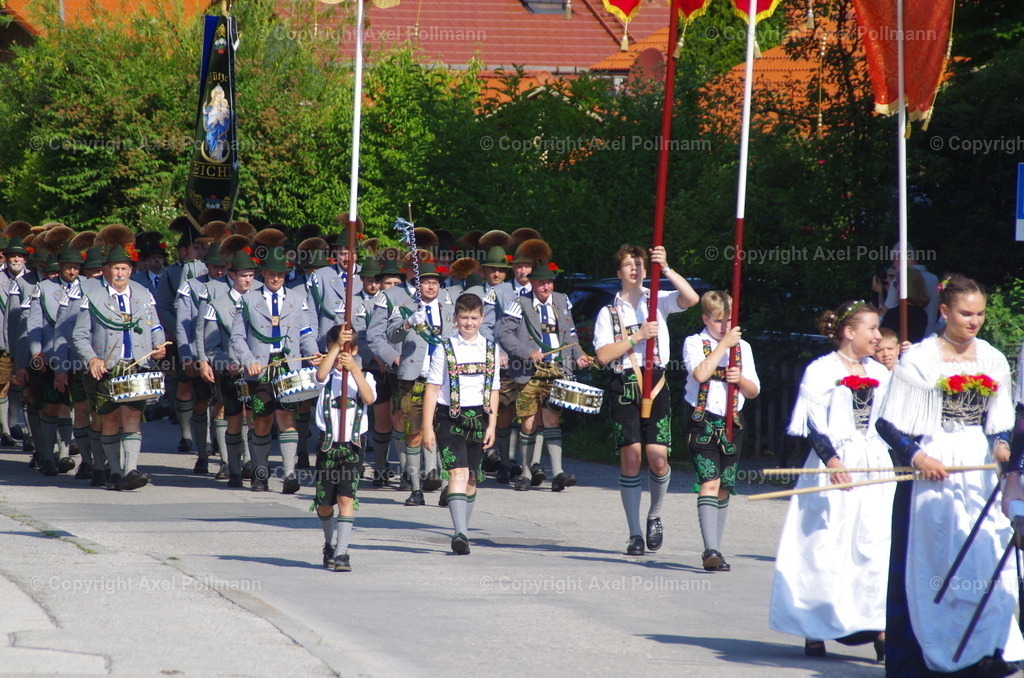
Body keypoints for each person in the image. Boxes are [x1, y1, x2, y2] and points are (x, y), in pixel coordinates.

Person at [876, 275, 1024, 675]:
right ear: (944, 311)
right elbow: (887, 424)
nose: (974, 321)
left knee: (986, 554)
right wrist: (918, 456)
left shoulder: (992, 358)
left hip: (978, 468)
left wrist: (1001, 447)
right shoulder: (920, 359)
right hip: (934, 468)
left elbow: (999, 423)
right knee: (937, 558)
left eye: (980, 314)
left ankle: (987, 649)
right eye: (965, 313)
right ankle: (936, 651)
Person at [770, 300, 891, 660]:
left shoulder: (881, 372)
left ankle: (878, 624)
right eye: (872, 328)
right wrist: (833, 460)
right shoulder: (821, 370)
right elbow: (813, 423)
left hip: (874, 466)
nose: (878, 336)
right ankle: (814, 625)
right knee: (825, 544)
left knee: (874, 543)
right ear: (849, 332)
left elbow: (893, 420)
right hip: (833, 465)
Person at [593, 245, 699, 556]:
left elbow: (692, 299)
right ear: (619, 272)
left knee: (658, 458)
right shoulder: (609, 312)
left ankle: (655, 514)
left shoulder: (658, 300)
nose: (635, 269)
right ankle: (635, 533)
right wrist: (637, 336)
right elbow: (603, 355)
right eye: (629, 264)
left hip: (656, 381)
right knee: (631, 457)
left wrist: (665, 268)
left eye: (639, 264)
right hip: (624, 383)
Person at [71, 243, 167, 491]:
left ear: (131, 270)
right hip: (107, 368)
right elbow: (80, 335)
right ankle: (114, 471)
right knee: (110, 419)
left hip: (137, 366)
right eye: (115, 269)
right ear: (106, 271)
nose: (120, 273)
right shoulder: (93, 298)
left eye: (124, 268)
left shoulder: (144, 294)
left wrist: (159, 343)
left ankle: (130, 470)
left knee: (132, 416)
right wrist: (92, 359)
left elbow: (155, 326)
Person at [230, 246, 322, 493]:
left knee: (287, 419)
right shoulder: (247, 299)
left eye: (280, 274)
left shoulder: (297, 299)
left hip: (288, 367)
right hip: (260, 368)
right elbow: (237, 337)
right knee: (262, 421)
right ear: (264, 273)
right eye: (272, 273)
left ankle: (290, 475)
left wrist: (314, 353)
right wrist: (248, 359)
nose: (276, 278)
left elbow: (306, 333)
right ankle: (260, 474)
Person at [499, 250, 590, 492]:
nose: (546, 287)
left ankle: (558, 472)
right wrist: (527, 352)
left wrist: (579, 356)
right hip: (529, 371)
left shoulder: (562, 301)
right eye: (541, 283)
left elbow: (571, 335)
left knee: (552, 418)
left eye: (549, 282)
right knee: (528, 421)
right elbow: (503, 334)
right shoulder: (519, 303)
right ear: (532, 283)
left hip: (557, 370)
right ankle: (525, 473)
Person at [682, 290, 760, 568]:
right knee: (709, 481)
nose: (725, 326)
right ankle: (710, 549)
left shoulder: (743, 348)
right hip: (702, 420)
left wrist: (740, 380)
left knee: (725, 486)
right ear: (706, 319)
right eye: (718, 321)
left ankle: (717, 547)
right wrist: (723, 346)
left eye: (729, 320)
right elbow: (700, 373)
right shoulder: (694, 342)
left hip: (732, 422)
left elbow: (753, 391)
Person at [421, 293, 500, 554]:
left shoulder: (491, 348)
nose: (469, 323)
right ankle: (460, 534)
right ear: (455, 318)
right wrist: (427, 427)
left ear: (482, 318)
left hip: (479, 417)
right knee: (458, 472)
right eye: (464, 317)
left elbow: (494, 390)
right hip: (449, 417)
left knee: (472, 478)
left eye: (474, 318)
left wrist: (492, 425)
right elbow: (432, 389)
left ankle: (462, 529)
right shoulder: (444, 348)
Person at [385, 260, 455, 506]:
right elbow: (390, 335)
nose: (431, 287)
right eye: (426, 282)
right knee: (414, 433)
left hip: (443, 379)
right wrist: (407, 323)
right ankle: (416, 488)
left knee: (443, 432)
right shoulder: (404, 307)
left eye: (435, 283)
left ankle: (446, 488)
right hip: (414, 378)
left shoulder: (449, 308)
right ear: (418, 285)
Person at [313, 325, 376, 572]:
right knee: (324, 502)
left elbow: (369, 398)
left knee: (346, 498)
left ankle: (342, 552)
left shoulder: (365, 377)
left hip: (353, 446)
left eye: (346, 351)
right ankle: (329, 543)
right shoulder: (325, 375)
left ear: (355, 351)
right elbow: (320, 375)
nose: (341, 357)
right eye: (336, 351)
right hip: (328, 445)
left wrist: (355, 370)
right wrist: (338, 345)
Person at [879, 242, 939, 336]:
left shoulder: (899, 280)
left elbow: (888, 309)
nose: (894, 265)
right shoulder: (934, 279)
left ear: (900, 258)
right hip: (929, 336)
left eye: (894, 260)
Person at [880, 267, 929, 343]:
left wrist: (880, 317)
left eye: (896, 284)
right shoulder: (922, 313)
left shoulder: (897, 313)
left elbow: (882, 338)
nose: (895, 288)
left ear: (903, 287)